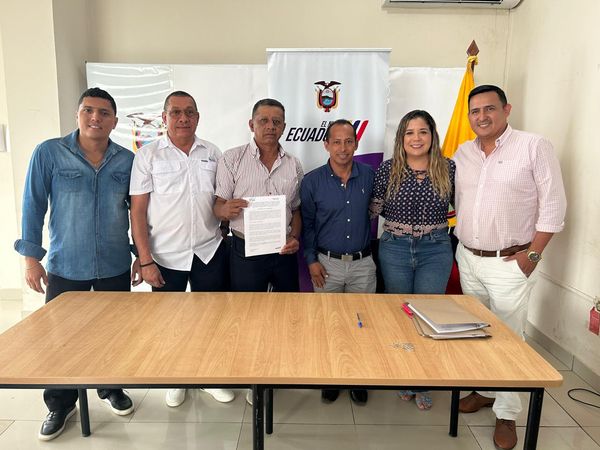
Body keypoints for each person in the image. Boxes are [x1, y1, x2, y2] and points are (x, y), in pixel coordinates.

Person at [14, 88, 138, 441]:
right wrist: (31, 259)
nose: (95, 118)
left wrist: (139, 255)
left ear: (114, 120)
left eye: (104, 113)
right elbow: (33, 205)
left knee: (113, 333)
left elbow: (139, 212)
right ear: (78, 114)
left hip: (114, 263)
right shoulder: (50, 152)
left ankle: (110, 387)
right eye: (88, 110)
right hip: (66, 264)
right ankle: (60, 403)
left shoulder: (127, 160)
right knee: (61, 339)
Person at [453, 85, 566, 450]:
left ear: (506, 110)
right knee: (477, 332)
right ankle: (485, 390)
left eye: (489, 109)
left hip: (510, 261)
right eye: (475, 111)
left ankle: (507, 414)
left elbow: (554, 206)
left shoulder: (534, 146)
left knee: (509, 338)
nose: (482, 116)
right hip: (468, 258)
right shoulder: (463, 153)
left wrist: (532, 256)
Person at [130, 91, 234, 408]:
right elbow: (137, 211)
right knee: (169, 322)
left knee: (210, 319)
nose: (183, 118)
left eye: (189, 112)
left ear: (198, 117)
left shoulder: (213, 153)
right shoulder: (147, 156)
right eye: (175, 112)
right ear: (164, 118)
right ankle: (176, 377)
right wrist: (144, 259)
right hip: (165, 255)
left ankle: (208, 377)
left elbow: (220, 200)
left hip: (208, 250)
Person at [370, 110, 455, 411]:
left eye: (422, 131)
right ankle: (404, 374)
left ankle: (423, 379)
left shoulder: (448, 167)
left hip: (436, 249)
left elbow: (466, 207)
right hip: (395, 249)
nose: (416, 138)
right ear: (401, 138)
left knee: (428, 314)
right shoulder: (387, 169)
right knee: (401, 313)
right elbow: (374, 209)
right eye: (409, 132)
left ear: (432, 135)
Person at [300, 119, 374, 405]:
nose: (343, 148)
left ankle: (358, 378)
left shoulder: (369, 176)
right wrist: (311, 260)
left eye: (348, 141)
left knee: (361, 325)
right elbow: (307, 225)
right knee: (328, 325)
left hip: (362, 264)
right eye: (337, 142)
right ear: (326, 145)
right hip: (326, 264)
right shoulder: (312, 181)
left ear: (356, 143)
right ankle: (330, 377)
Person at [214, 98, 303, 292]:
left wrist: (295, 237)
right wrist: (224, 210)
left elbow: (296, 209)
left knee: (288, 305)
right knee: (247, 306)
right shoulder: (232, 158)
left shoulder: (293, 164)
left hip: (283, 250)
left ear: (283, 127)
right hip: (246, 250)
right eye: (263, 120)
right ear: (251, 124)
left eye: (276, 122)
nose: (270, 126)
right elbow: (218, 206)